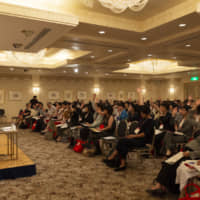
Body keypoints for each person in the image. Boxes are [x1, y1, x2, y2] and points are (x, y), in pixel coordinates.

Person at [103, 106, 154, 171]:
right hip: (136, 138)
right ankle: (121, 163)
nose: (141, 115)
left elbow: (144, 134)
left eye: (142, 113)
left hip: (143, 141)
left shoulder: (150, 121)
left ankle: (112, 158)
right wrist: (131, 135)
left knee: (122, 141)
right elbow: (137, 130)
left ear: (146, 113)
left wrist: (133, 136)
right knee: (123, 142)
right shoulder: (143, 119)